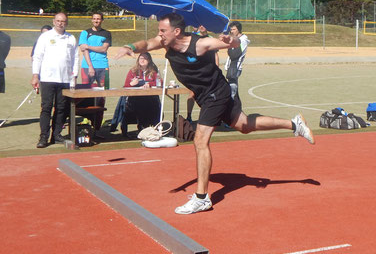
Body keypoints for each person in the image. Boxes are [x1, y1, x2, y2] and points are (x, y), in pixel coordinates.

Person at [115, 13, 315, 215]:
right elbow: (146, 43)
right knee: (243, 125)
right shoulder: (164, 43)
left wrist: (231, 39)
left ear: (176, 31)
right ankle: (294, 124)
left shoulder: (201, 44)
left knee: (200, 140)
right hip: (206, 96)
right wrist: (129, 47)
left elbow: (235, 44)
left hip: (216, 93)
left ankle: (202, 198)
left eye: (163, 30)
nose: (159, 34)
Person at [31, 13, 79, 148]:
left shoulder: (71, 38)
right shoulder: (45, 37)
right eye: (58, 21)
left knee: (61, 108)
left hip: (64, 79)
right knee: (46, 108)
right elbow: (37, 56)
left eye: (63, 21)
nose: (60, 23)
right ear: (54, 21)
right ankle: (43, 137)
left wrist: (74, 76)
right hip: (47, 78)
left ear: (66, 23)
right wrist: (35, 75)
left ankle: (56, 135)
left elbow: (75, 58)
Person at [78, 13, 112, 130]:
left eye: (98, 19)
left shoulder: (107, 33)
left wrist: (89, 47)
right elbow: (83, 50)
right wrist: (91, 66)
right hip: (87, 67)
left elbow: (104, 48)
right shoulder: (85, 33)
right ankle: (86, 117)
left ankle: (98, 119)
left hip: (103, 66)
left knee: (102, 93)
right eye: (94, 19)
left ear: (102, 20)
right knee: (86, 93)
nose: (96, 20)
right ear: (92, 20)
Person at [186, 25, 219, 123]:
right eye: (200, 25)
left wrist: (216, 69)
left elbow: (215, 55)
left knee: (208, 96)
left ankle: (206, 116)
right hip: (195, 72)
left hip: (208, 72)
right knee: (192, 94)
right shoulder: (193, 37)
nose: (202, 27)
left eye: (204, 25)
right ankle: (189, 115)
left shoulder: (211, 39)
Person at [123, 52, 162, 134]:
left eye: (145, 59)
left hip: (151, 98)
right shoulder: (133, 71)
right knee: (142, 103)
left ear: (149, 61)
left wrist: (149, 84)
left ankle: (153, 126)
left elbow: (160, 82)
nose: (143, 60)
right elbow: (125, 86)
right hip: (136, 99)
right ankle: (143, 126)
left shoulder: (153, 71)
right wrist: (131, 84)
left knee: (153, 102)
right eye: (141, 58)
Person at [224, 21, 250, 98]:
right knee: (233, 90)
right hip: (231, 66)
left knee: (232, 91)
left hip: (235, 66)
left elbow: (234, 54)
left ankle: (235, 108)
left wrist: (229, 45)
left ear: (238, 30)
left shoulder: (242, 40)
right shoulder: (235, 39)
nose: (232, 31)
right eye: (231, 30)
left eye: (234, 29)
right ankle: (237, 109)